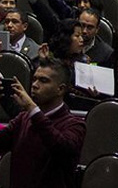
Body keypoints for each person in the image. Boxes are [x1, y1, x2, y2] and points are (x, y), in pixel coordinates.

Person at [0, 59, 85, 187]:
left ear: (60, 89)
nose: (34, 85)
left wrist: (32, 109)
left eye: (43, 80)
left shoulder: (75, 125)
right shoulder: (23, 118)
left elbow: (60, 147)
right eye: (34, 79)